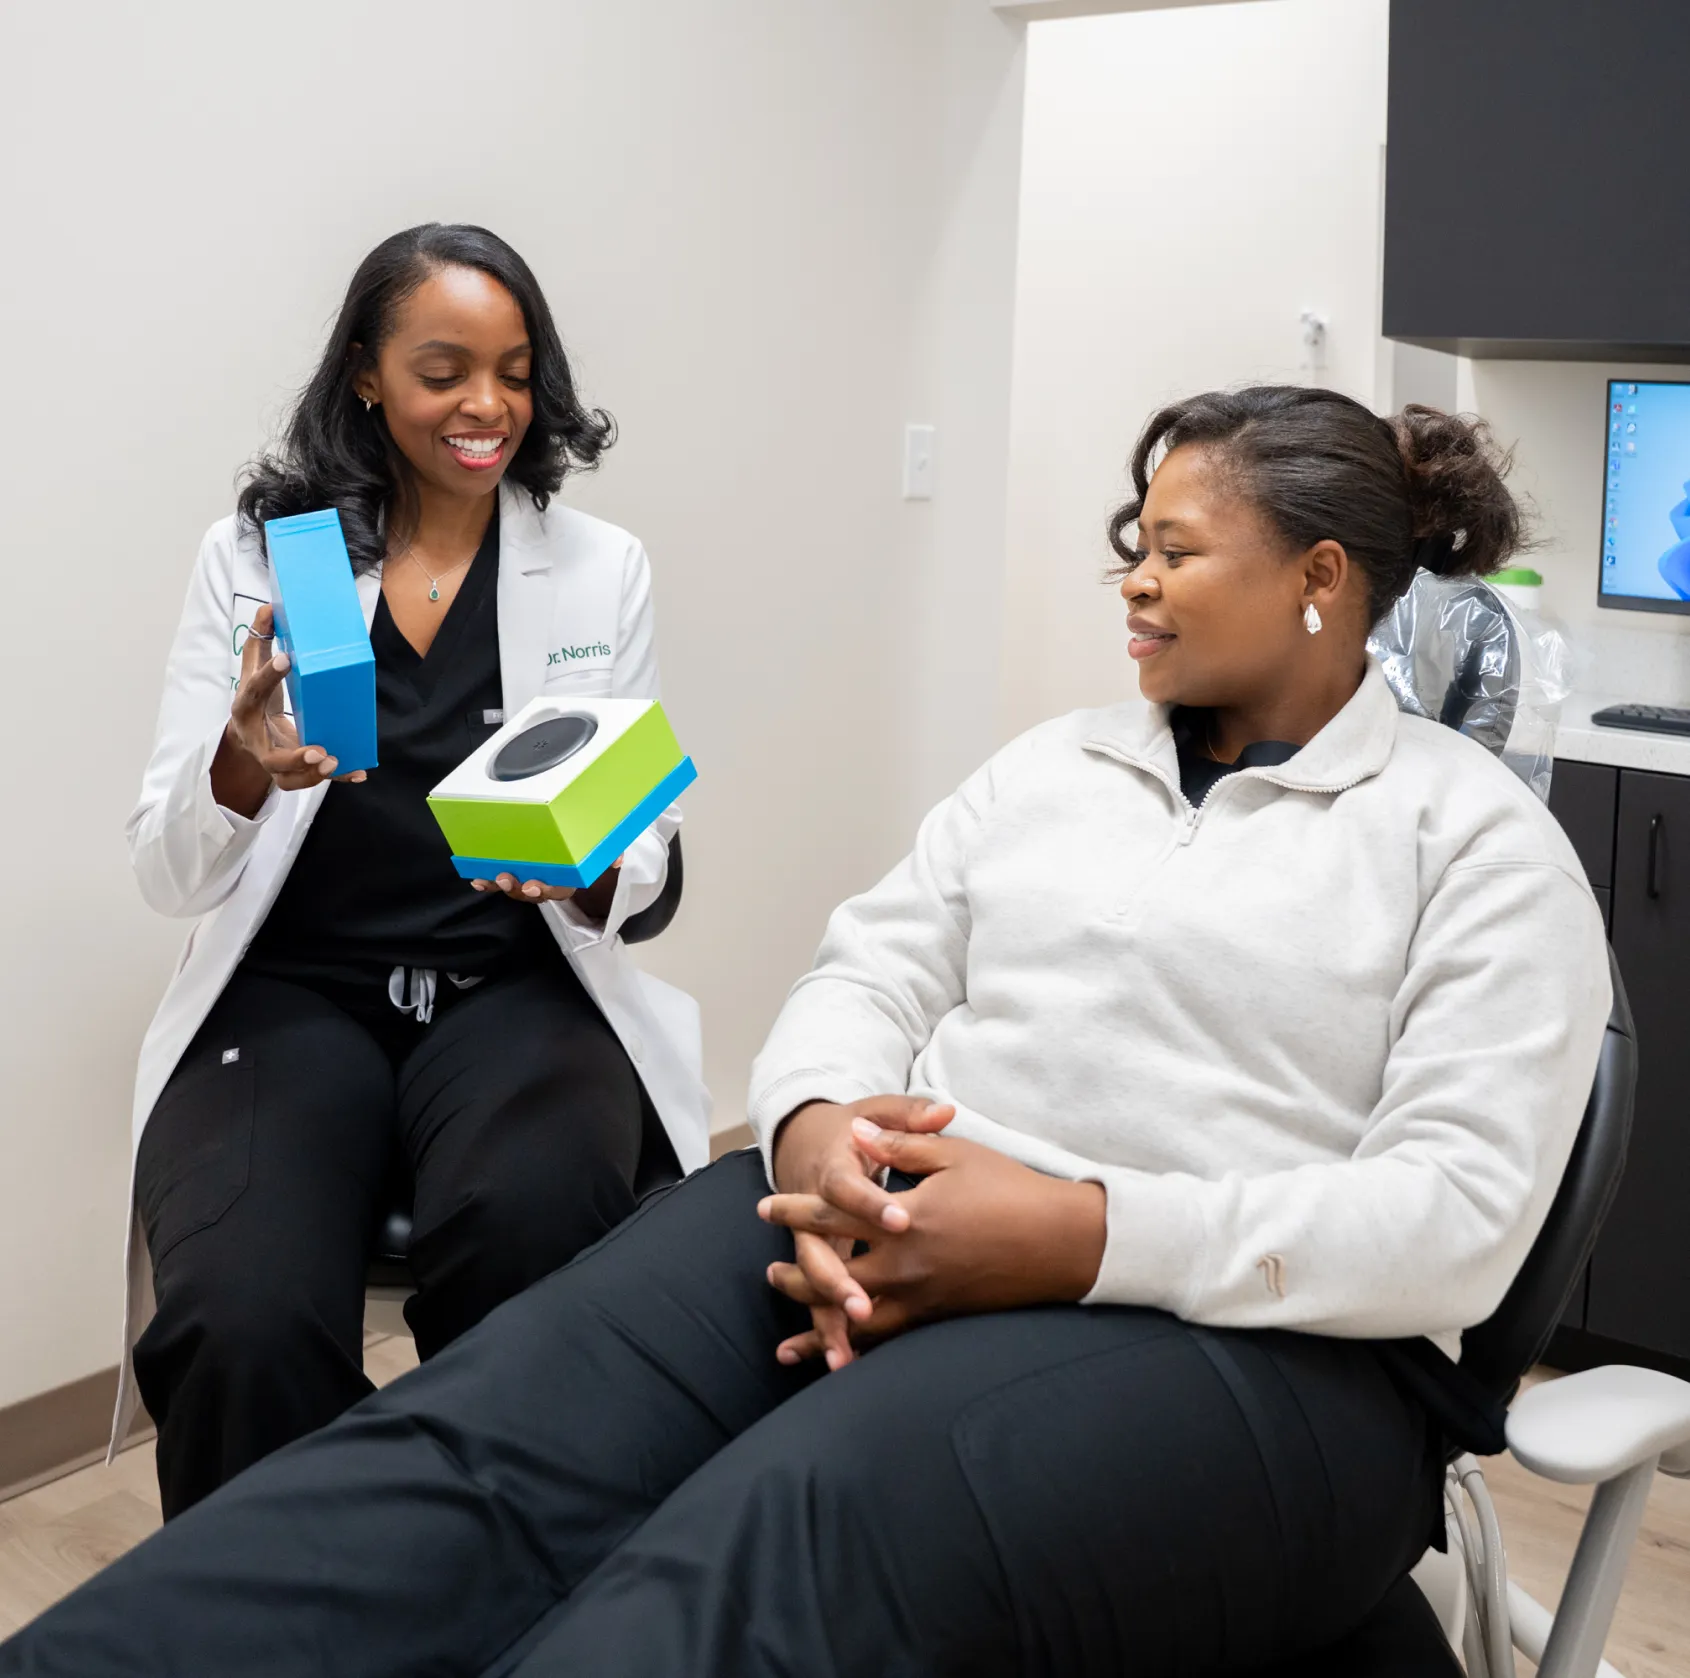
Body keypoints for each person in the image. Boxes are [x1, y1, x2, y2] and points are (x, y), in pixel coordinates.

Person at [6, 386, 1609, 1675]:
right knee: (469, 1443)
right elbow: (869, 968)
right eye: (1131, 537)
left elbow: (1452, 1222)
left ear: (1318, 579)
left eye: (1175, 548)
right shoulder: (1057, 766)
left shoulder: (1471, 845)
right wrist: (822, 1128)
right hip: (884, 1212)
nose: (1130, 574)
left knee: (772, 1541)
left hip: (1260, 1355)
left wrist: (1070, 1232)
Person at [113, 223, 708, 1519]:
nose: (486, 405)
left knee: (538, 1250)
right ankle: (269, 1612)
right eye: (443, 370)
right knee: (241, 1317)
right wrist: (239, 768)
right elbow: (168, 869)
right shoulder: (279, 561)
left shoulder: (598, 567)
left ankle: (494, 1578)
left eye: (513, 369)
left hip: (514, 991)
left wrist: (585, 864)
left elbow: (649, 860)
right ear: (368, 378)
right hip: (292, 999)